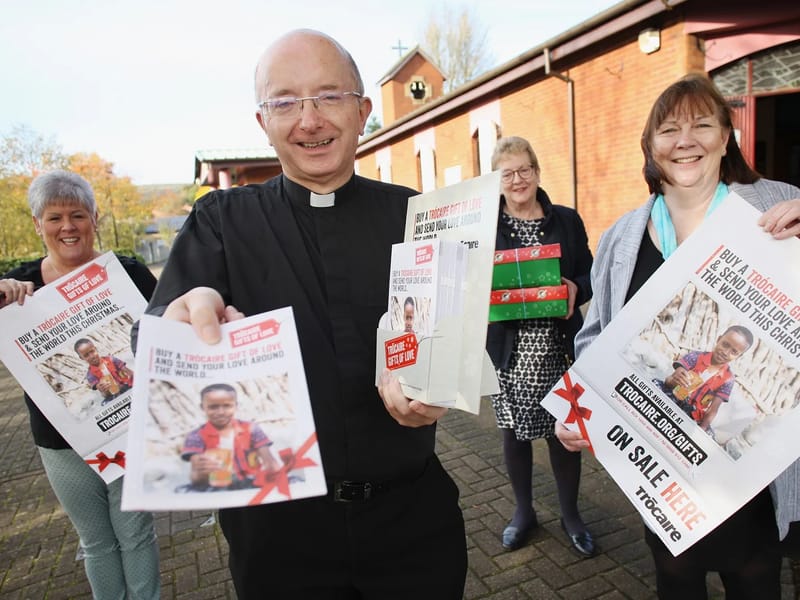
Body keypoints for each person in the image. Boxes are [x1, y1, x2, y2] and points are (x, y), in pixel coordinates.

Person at [139, 29, 467, 599]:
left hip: (412, 522)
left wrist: (443, 383)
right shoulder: (220, 221)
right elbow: (168, 323)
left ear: (363, 110)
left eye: (328, 96)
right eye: (285, 102)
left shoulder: (419, 218)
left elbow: (459, 339)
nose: (309, 119)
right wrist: (184, 315)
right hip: (278, 538)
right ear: (262, 122)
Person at [556, 73, 800, 599]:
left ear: (726, 137)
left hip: (747, 486)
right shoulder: (623, 233)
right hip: (661, 470)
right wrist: (582, 410)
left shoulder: (779, 205)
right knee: (674, 576)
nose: (685, 140)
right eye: (669, 130)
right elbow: (596, 334)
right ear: (650, 147)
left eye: (702, 125)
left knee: (756, 577)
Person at [0, 170, 160, 599]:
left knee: (136, 532)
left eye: (77, 215)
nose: (67, 227)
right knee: (96, 541)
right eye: (54, 218)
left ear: (95, 218)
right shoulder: (18, 287)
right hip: (60, 442)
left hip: (129, 427)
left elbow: (165, 331)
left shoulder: (127, 273)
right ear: (38, 224)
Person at [485, 136, 595, 555]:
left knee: (564, 433)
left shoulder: (566, 220)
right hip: (509, 352)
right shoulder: (485, 227)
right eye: (508, 173)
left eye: (524, 169)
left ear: (537, 171)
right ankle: (524, 512)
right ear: (497, 180)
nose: (517, 179)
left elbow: (588, 274)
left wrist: (574, 287)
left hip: (560, 346)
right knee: (514, 435)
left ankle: (571, 515)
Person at [181, 383, 281, 490]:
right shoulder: (196, 436)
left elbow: (270, 463)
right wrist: (204, 472)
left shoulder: (251, 429)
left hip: (252, 482)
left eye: (227, 406)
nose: (221, 412)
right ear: (202, 407)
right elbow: (195, 476)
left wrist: (271, 473)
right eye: (213, 407)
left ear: (235, 406)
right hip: (217, 485)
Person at [661, 325, 753, 431]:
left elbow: (713, 409)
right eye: (725, 345)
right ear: (719, 339)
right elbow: (669, 382)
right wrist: (674, 380)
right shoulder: (695, 357)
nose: (726, 352)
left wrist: (702, 429)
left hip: (693, 413)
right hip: (675, 396)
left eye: (734, 352)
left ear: (739, 356)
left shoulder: (728, 379)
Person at [74, 337, 134, 403]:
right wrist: (102, 389)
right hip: (113, 395)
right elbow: (104, 394)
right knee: (105, 403)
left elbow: (129, 372)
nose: (92, 356)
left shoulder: (111, 359)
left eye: (92, 351)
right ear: (81, 358)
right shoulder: (90, 375)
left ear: (95, 349)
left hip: (126, 385)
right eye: (86, 355)